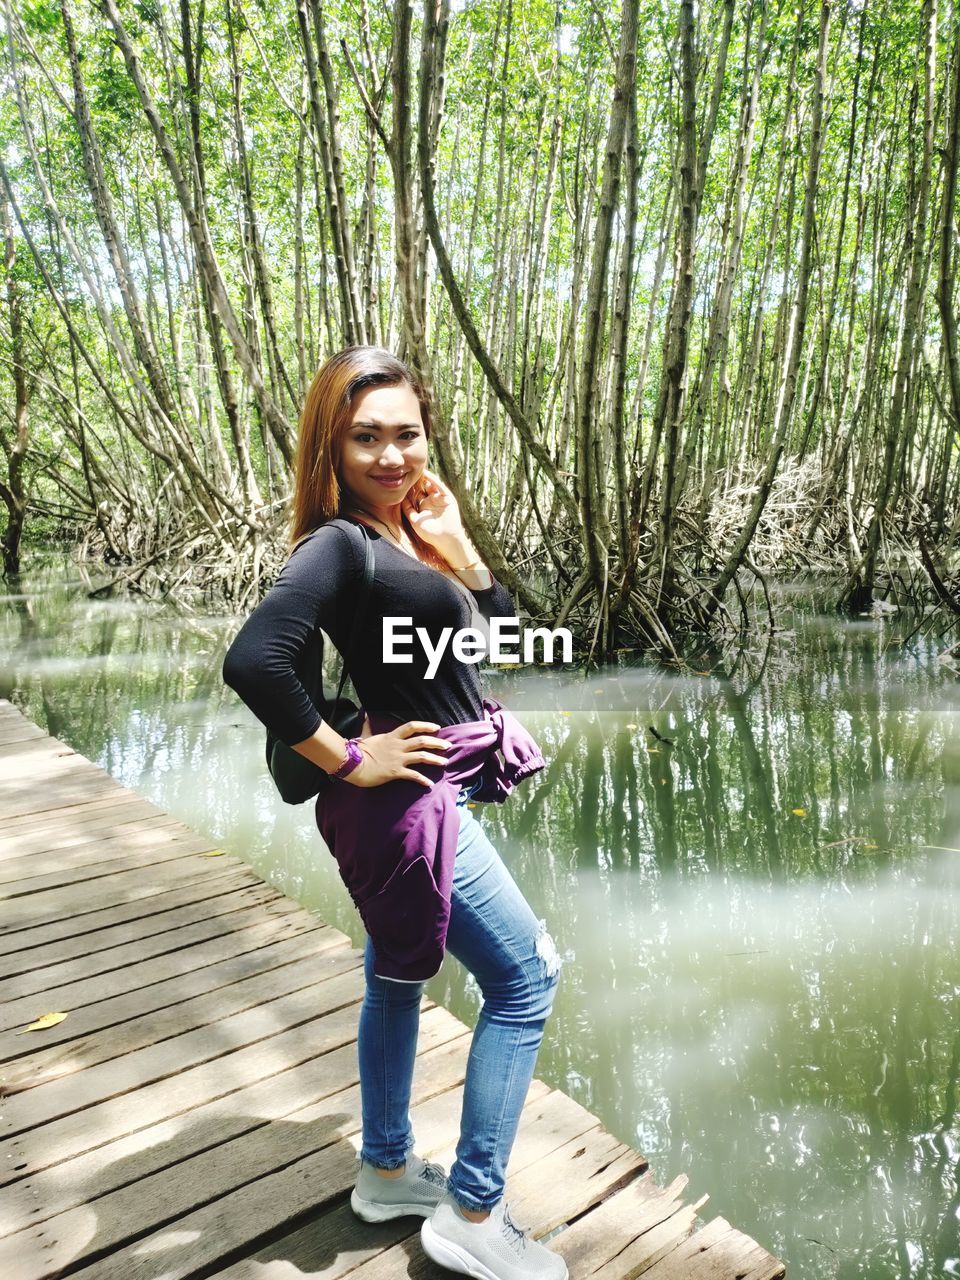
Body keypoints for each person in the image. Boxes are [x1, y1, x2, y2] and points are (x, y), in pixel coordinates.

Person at [222, 346, 565, 1280]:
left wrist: (461, 555)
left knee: (395, 978)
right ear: (330, 445)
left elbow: (506, 648)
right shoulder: (339, 545)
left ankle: (384, 1170)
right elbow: (253, 661)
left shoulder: (406, 539)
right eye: (364, 436)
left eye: (406, 434)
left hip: (429, 790)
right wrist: (350, 758)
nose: (390, 455)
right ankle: (474, 1211)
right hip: (409, 800)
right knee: (529, 979)